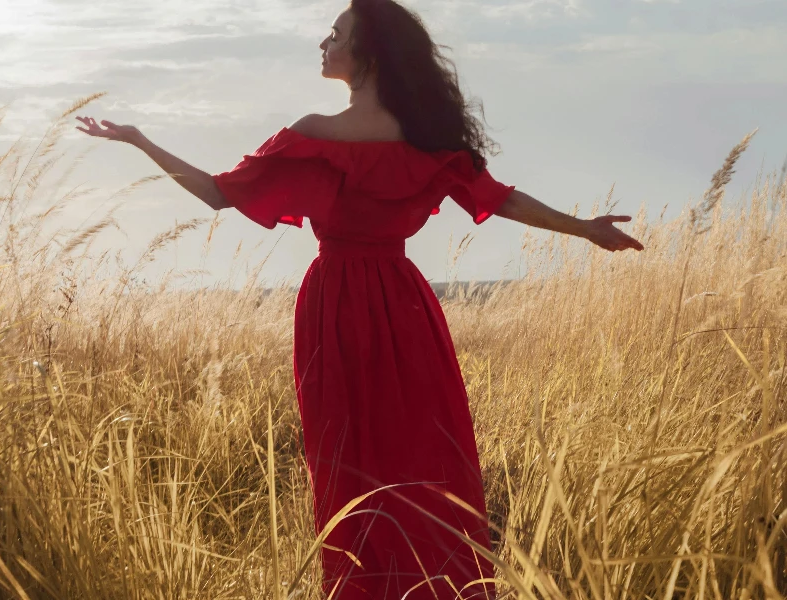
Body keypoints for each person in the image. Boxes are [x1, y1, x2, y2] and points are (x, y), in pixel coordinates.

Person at [76, 1, 644, 597]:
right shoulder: (426, 140)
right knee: (423, 457)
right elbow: (500, 199)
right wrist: (582, 228)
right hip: (405, 306)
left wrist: (141, 141)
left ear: (368, 55)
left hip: (337, 306)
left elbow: (219, 194)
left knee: (349, 465)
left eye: (336, 35)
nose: (323, 44)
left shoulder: (317, 134)